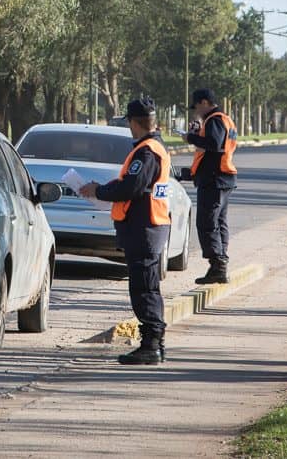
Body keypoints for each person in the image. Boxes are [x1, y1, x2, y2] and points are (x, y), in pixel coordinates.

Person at [79, 97, 172, 365]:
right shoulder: (154, 147)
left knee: (144, 289)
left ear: (133, 122)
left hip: (144, 228)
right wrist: (103, 188)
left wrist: (99, 191)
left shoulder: (147, 152)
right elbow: (130, 182)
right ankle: (155, 344)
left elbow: (130, 187)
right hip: (150, 227)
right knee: (148, 287)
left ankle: (151, 346)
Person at [185, 88, 238, 285]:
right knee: (219, 222)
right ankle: (219, 264)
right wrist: (198, 132)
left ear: (205, 102)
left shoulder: (214, 120)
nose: (197, 111)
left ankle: (218, 264)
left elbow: (214, 144)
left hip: (215, 180)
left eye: (197, 107)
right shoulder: (224, 119)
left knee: (207, 223)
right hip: (222, 178)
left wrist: (190, 138)